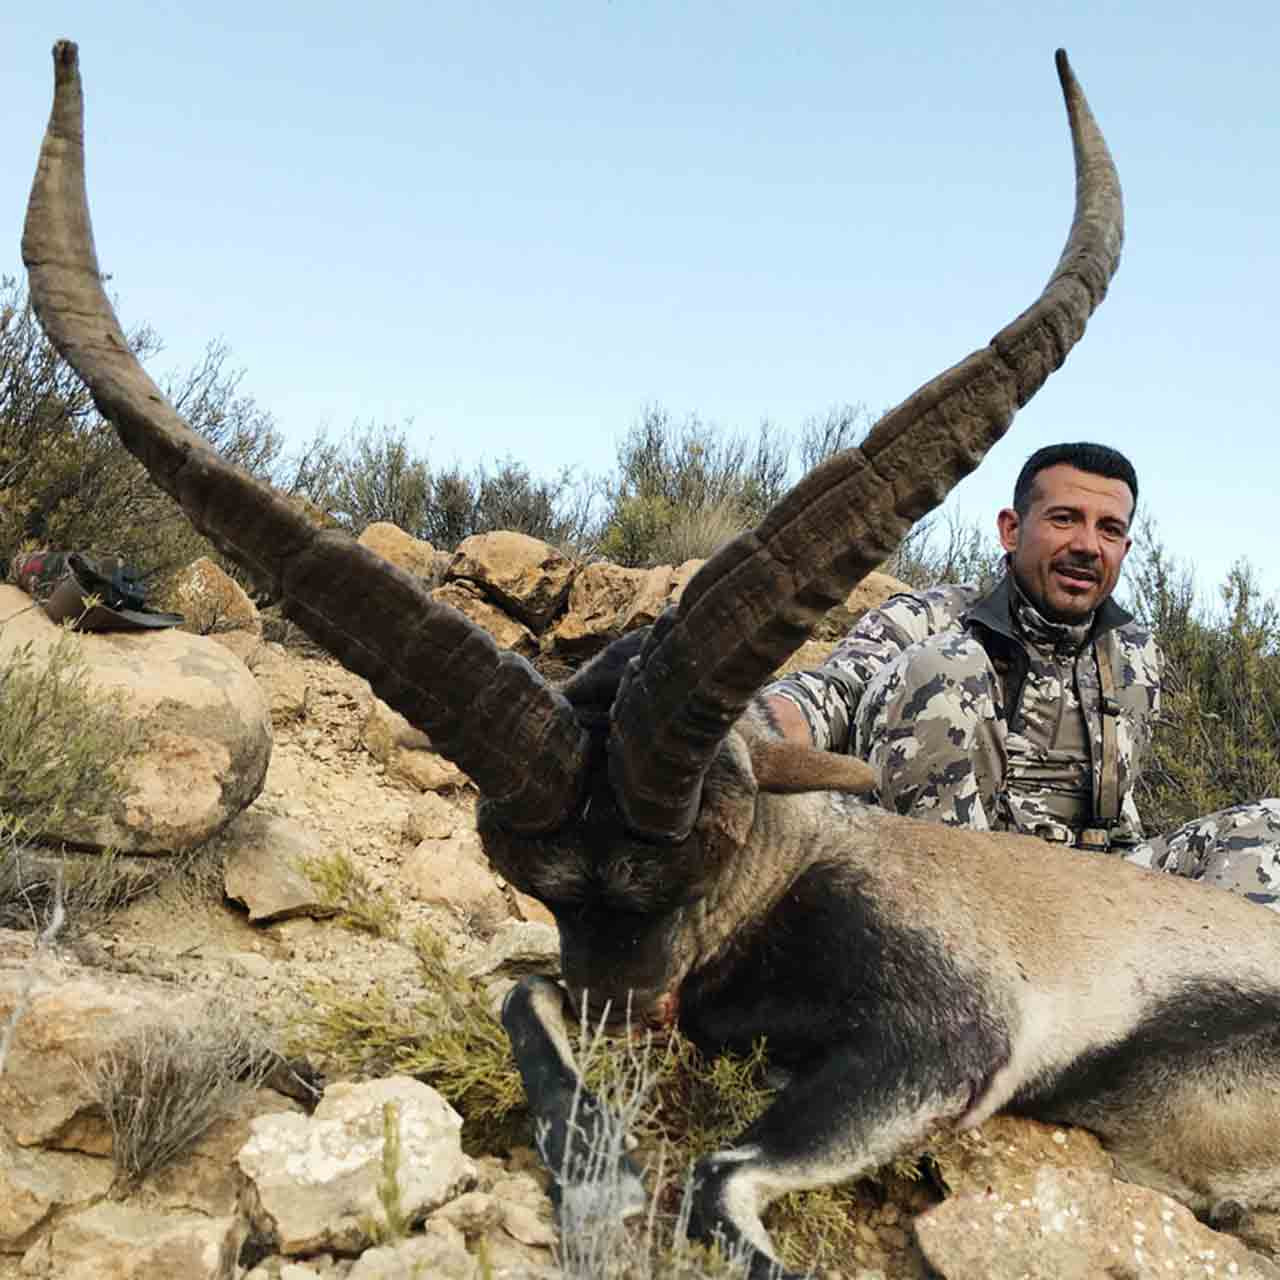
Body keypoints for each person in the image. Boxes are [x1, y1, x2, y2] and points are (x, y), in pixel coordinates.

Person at [762, 441, 1280, 907]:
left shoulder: (1138, 656)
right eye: (1063, 519)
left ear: (1124, 549)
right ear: (1012, 530)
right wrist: (751, 733)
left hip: (1090, 895)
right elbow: (825, 694)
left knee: (1270, 828)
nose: (1086, 545)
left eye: (1109, 529)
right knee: (944, 667)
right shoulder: (924, 620)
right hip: (952, 894)